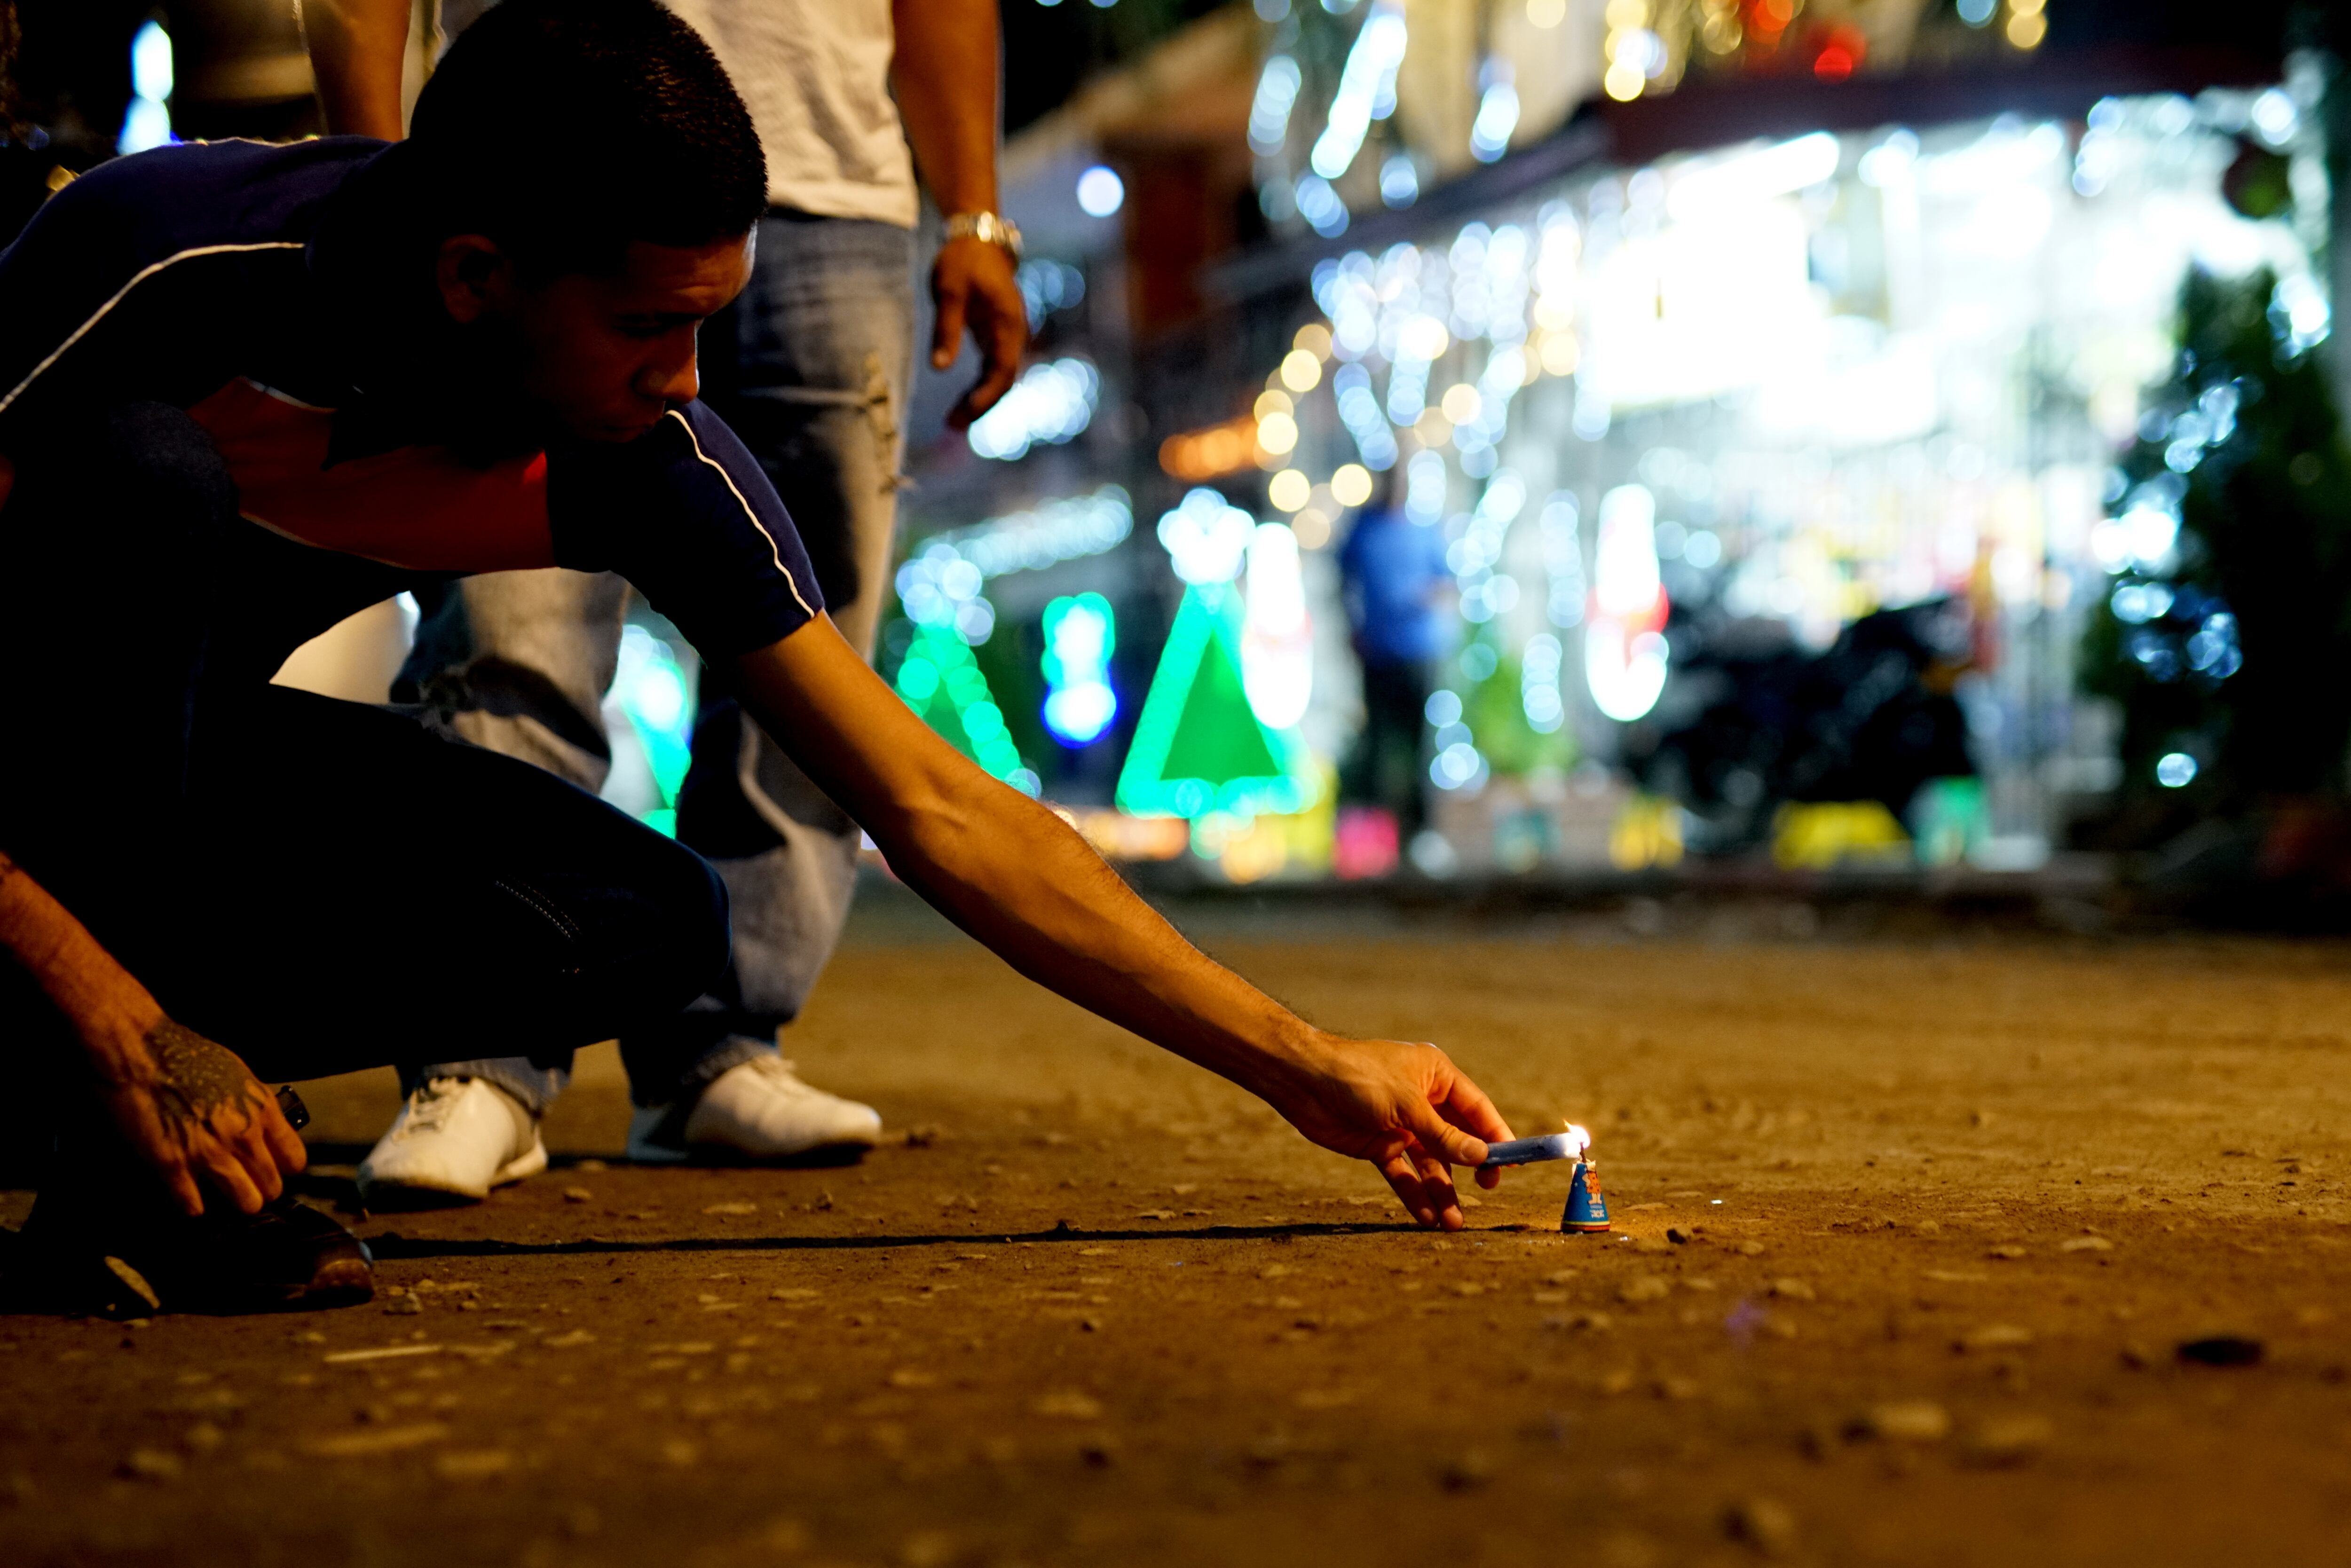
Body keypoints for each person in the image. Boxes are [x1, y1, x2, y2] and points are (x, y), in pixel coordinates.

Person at [0, 0, 1510, 1315]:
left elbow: (938, 808)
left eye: (707, 326)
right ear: (474, 280)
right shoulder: (158, 268)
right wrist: (118, 1011)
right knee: (146, 479)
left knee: (643, 916)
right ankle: (114, 1144)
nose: (687, 383)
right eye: (648, 327)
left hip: (177, 784)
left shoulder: (639, 448)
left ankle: (93, 1099)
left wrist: (1310, 1066)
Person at [300, 0, 1030, 1203]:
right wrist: (393, 180)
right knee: (507, 624)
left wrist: (976, 208)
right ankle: (481, 1048)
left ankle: (720, 1046)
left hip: (833, 176)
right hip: (549, 173)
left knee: (812, 630)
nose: (679, 363)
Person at [1338, 479, 1453, 855]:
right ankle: (1373, 835)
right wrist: (1352, 627)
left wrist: (1425, 596)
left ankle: (1419, 833)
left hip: (1419, 651)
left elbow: (1448, 583)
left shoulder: (1424, 530)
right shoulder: (1363, 530)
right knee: (1377, 741)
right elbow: (1343, 580)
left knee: (1421, 742)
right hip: (1377, 651)